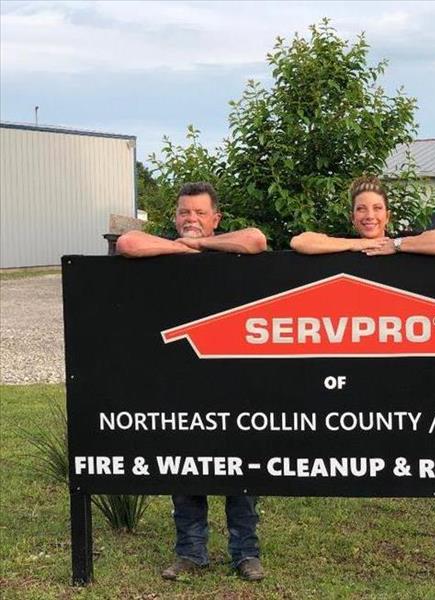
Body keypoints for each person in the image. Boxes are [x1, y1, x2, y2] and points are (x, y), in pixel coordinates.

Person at [116, 182, 267, 582]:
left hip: (232, 378)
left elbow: (256, 240)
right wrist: (178, 247)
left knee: (241, 468)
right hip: (179, 379)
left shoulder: (229, 248)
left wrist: (200, 246)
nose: (191, 220)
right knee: (184, 467)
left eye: (200, 213)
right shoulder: (163, 250)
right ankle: (190, 552)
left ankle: (245, 553)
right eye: (185, 213)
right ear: (175, 216)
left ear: (216, 218)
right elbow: (127, 243)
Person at [290, 176, 435, 255]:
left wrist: (395, 246)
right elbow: (299, 242)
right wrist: (356, 244)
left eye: (377, 208)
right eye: (361, 209)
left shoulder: (401, 241)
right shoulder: (343, 243)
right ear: (352, 217)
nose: (370, 216)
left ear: (388, 216)